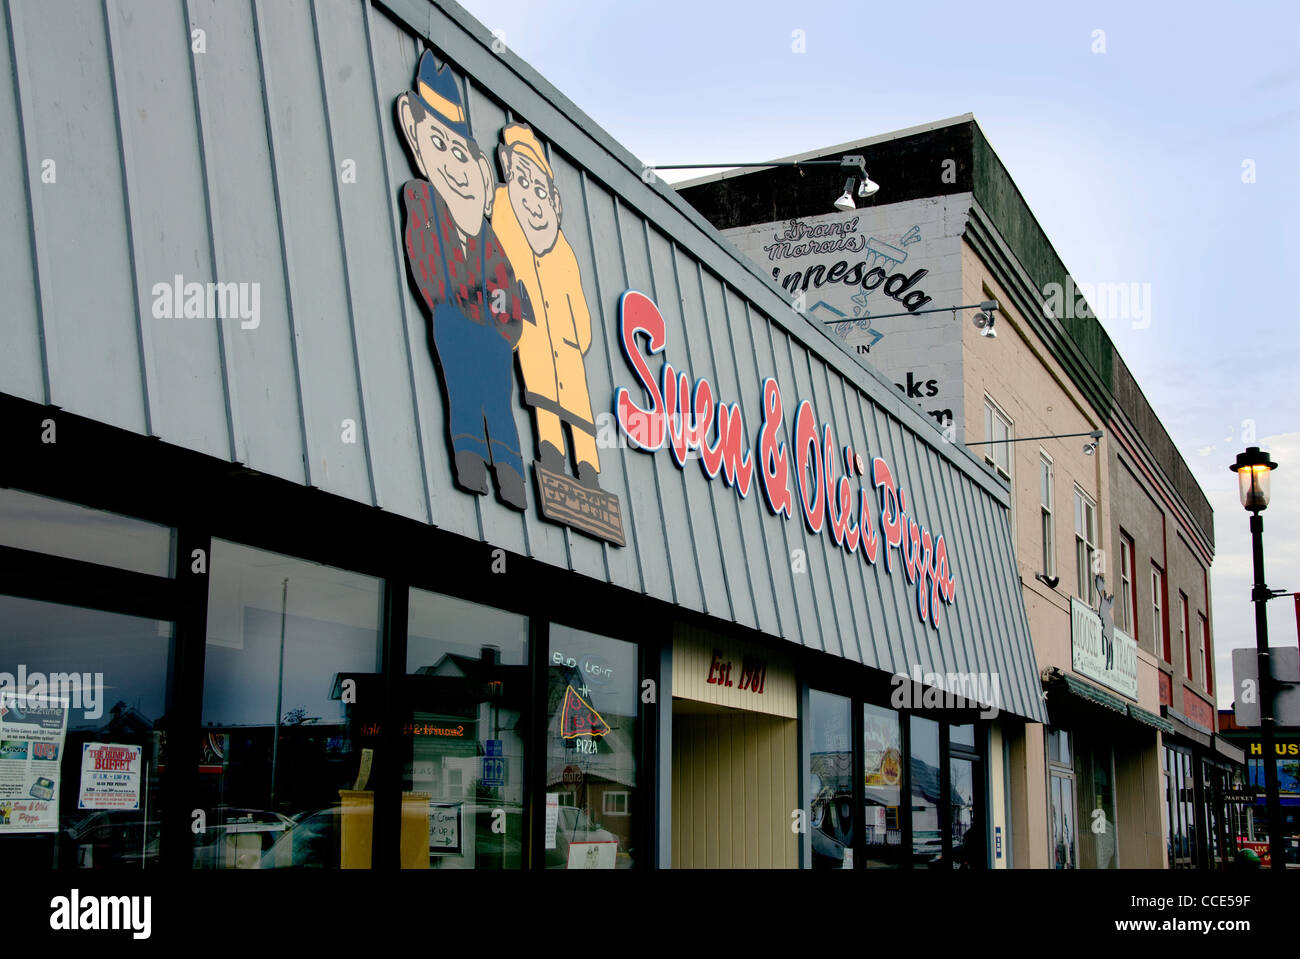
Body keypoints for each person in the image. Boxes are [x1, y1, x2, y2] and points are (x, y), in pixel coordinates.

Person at [395, 51, 531, 510]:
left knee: (500, 402)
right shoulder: (424, 201)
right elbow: (424, 262)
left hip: (490, 337)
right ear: (418, 147)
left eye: (460, 152)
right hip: (453, 323)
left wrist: (503, 329)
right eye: (439, 145)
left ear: (479, 168)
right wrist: (454, 306)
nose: (453, 163)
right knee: (464, 398)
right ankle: (471, 461)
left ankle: (510, 472)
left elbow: (506, 286)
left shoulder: (489, 236)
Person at [491, 124, 602, 489]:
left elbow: (582, 315)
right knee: (543, 403)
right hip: (534, 334)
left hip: (567, 349)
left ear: (554, 199)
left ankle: (587, 471)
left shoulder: (563, 248)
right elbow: (502, 266)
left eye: (540, 189)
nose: (532, 198)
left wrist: (575, 339)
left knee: (580, 418)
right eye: (523, 183)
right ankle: (551, 458)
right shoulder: (505, 214)